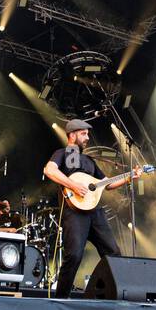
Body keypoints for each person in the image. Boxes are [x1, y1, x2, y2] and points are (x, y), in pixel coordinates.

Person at [42, 118, 141, 298]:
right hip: (74, 213)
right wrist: (72, 184)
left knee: (113, 253)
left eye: (87, 133)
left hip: (95, 212)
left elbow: (106, 184)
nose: (87, 137)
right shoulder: (63, 153)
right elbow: (49, 170)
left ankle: (114, 296)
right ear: (72, 135)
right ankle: (60, 300)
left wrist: (130, 176)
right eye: (83, 133)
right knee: (74, 256)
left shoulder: (89, 160)